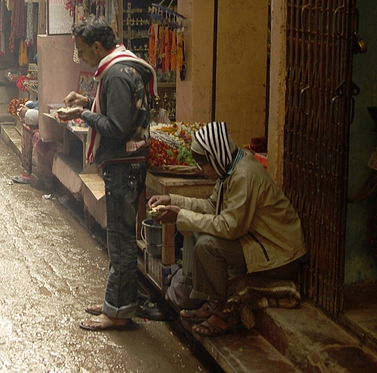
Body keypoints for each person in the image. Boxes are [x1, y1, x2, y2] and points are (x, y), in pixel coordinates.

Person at [148, 121, 307, 337]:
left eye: (203, 165)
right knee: (200, 231)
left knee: (207, 244)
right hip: (257, 243)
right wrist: (174, 200)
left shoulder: (244, 175)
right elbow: (212, 206)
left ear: (215, 158)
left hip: (280, 256)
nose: (200, 170)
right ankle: (213, 303)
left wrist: (181, 215)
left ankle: (223, 313)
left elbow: (229, 227)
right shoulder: (230, 169)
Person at [57, 17, 157, 331]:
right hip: (128, 163)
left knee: (121, 240)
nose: (81, 57)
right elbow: (119, 112)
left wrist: (82, 113)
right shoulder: (123, 68)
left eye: (82, 50)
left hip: (123, 165)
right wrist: (88, 101)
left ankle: (118, 312)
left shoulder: (115, 73)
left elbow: (115, 126)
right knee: (120, 239)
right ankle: (117, 302)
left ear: (98, 46)